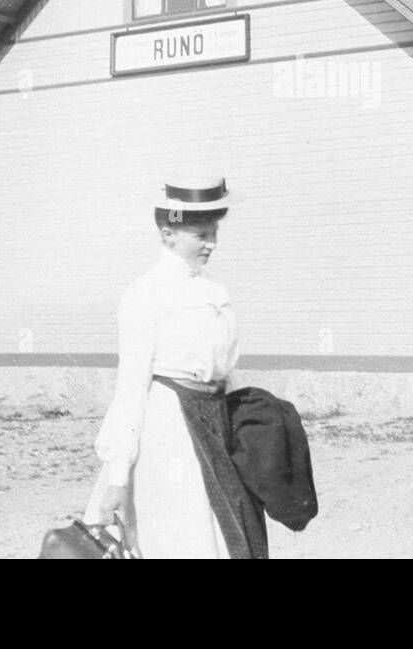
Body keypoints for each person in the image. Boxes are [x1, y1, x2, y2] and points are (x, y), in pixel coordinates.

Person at [82, 175, 266, 558]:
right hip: (167, 434)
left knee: (225, 530)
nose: (212, 243)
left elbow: (222, 370)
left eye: (214, 232)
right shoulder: (145, 294)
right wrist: (118, 476)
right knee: (180, 535)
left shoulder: (213, 291)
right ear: (168, 235)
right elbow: (131, 388)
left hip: (213, 426)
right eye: (201, 235)